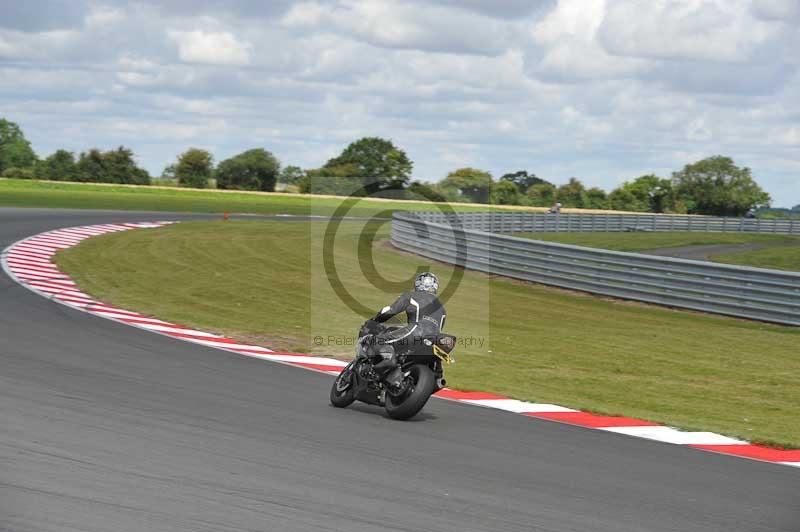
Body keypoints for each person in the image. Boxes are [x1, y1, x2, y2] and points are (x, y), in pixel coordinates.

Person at [363, 272, 446, 388]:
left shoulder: (411, 295)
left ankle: (388, 361)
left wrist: (374, 320)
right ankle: (436, 375)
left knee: (376, 340)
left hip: (416, 331)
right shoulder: (442, 308)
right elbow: (439, 328)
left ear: (418, 284)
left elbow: (390, 311)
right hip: (432, 341)